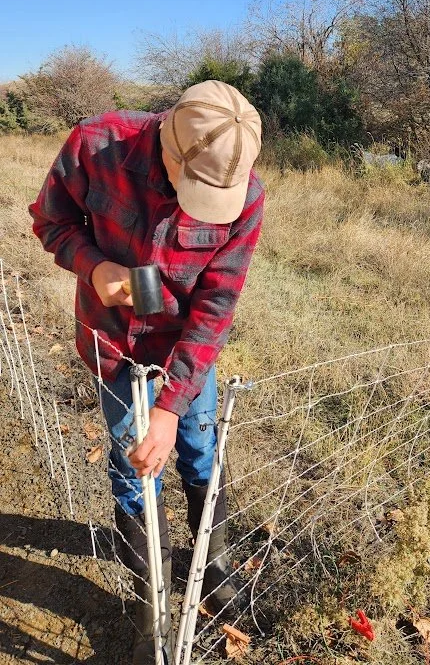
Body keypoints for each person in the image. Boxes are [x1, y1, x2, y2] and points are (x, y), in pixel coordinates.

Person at [29, 80, 264, 664]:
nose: (198, 207)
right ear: (170, 147)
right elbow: (50, 220)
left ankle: (212, 562)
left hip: (186, 349)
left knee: (199, 449)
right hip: (112, 343)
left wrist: (168, 406)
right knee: (132, 467)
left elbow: (216, 307)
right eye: (195, 189)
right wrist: (93, 265)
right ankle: (148, 600)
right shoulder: (97, 144)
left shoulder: (248, 196)